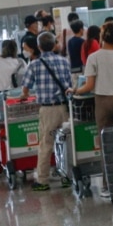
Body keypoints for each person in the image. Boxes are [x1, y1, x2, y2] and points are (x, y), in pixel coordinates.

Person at [74, 22, 113, 196]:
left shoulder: (94, 57)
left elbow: (89, 85)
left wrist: (74, 90)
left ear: (101, 37)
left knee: (107, 145)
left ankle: (107, 186)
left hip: (103, 102)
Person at [22, 32, 73, 192]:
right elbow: (69, 85)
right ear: (55, 45)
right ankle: (67, 177)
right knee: (66, 143)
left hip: (48, 110)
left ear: (38, 47)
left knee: (46, 144)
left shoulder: (34, 65)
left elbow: (25, 89)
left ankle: (43, 180)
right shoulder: (64, 61)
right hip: (65, 109)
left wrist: (25, 95)